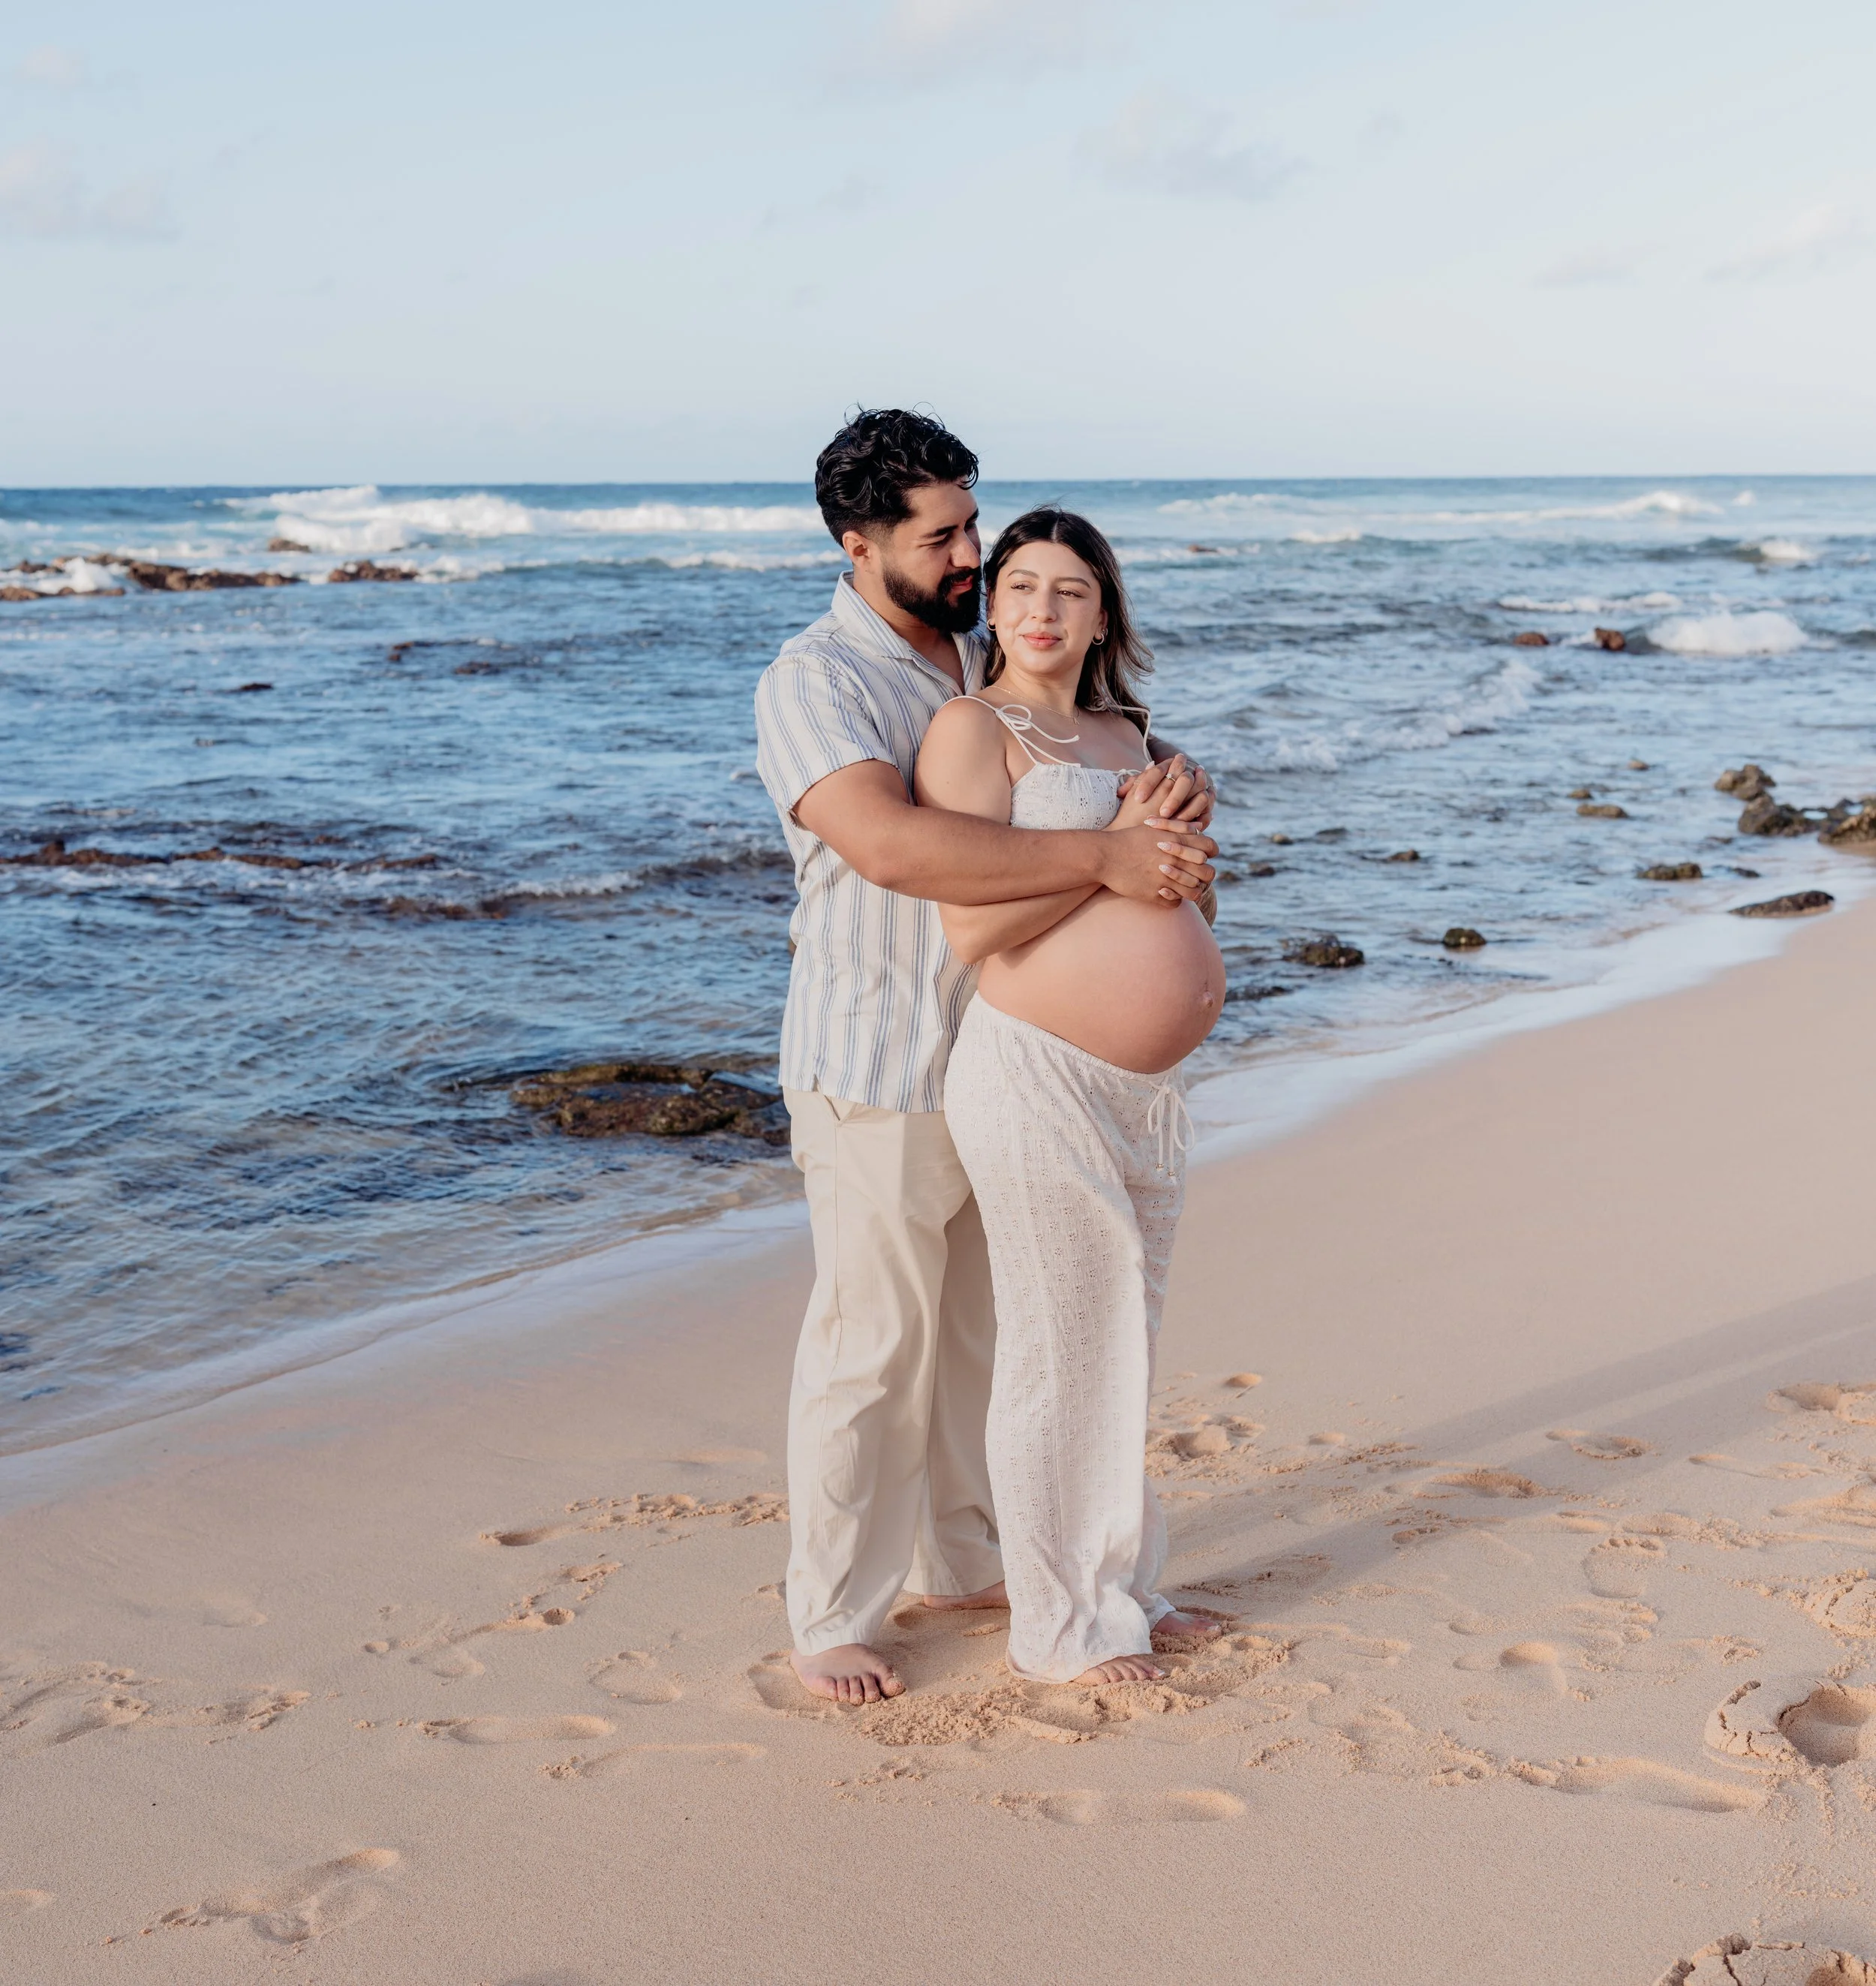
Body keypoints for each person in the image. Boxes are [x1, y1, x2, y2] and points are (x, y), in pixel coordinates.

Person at [753, 411, 1218, 1705]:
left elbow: (1071, 754)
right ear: (859, 543)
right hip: (880, 1054)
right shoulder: (816, 680)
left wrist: (1163, 821)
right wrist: (1108, 855)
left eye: (973, 524)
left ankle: (969, 1560)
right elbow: (894, 848)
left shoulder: (982, 649)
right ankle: (833, 1613)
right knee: (874, 1344)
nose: (972, 552)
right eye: (943, 534)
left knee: (984, 1344)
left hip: (1010, 1058)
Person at [913, 506, 1226, 1686]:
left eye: (1071, 592)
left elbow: (1175, 895)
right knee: (1060, 1343)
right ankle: (1063, 1630)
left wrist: (1188, 839)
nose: (1043, 610)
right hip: (1033, 1069)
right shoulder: (971, 731)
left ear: (1104, 617)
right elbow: (972, 926)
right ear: (992, 604)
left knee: (1123, 1339)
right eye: (1024, 586)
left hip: (1142, 1089)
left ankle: (1125, 1589)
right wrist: (1113, 851)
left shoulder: (1126, 737)